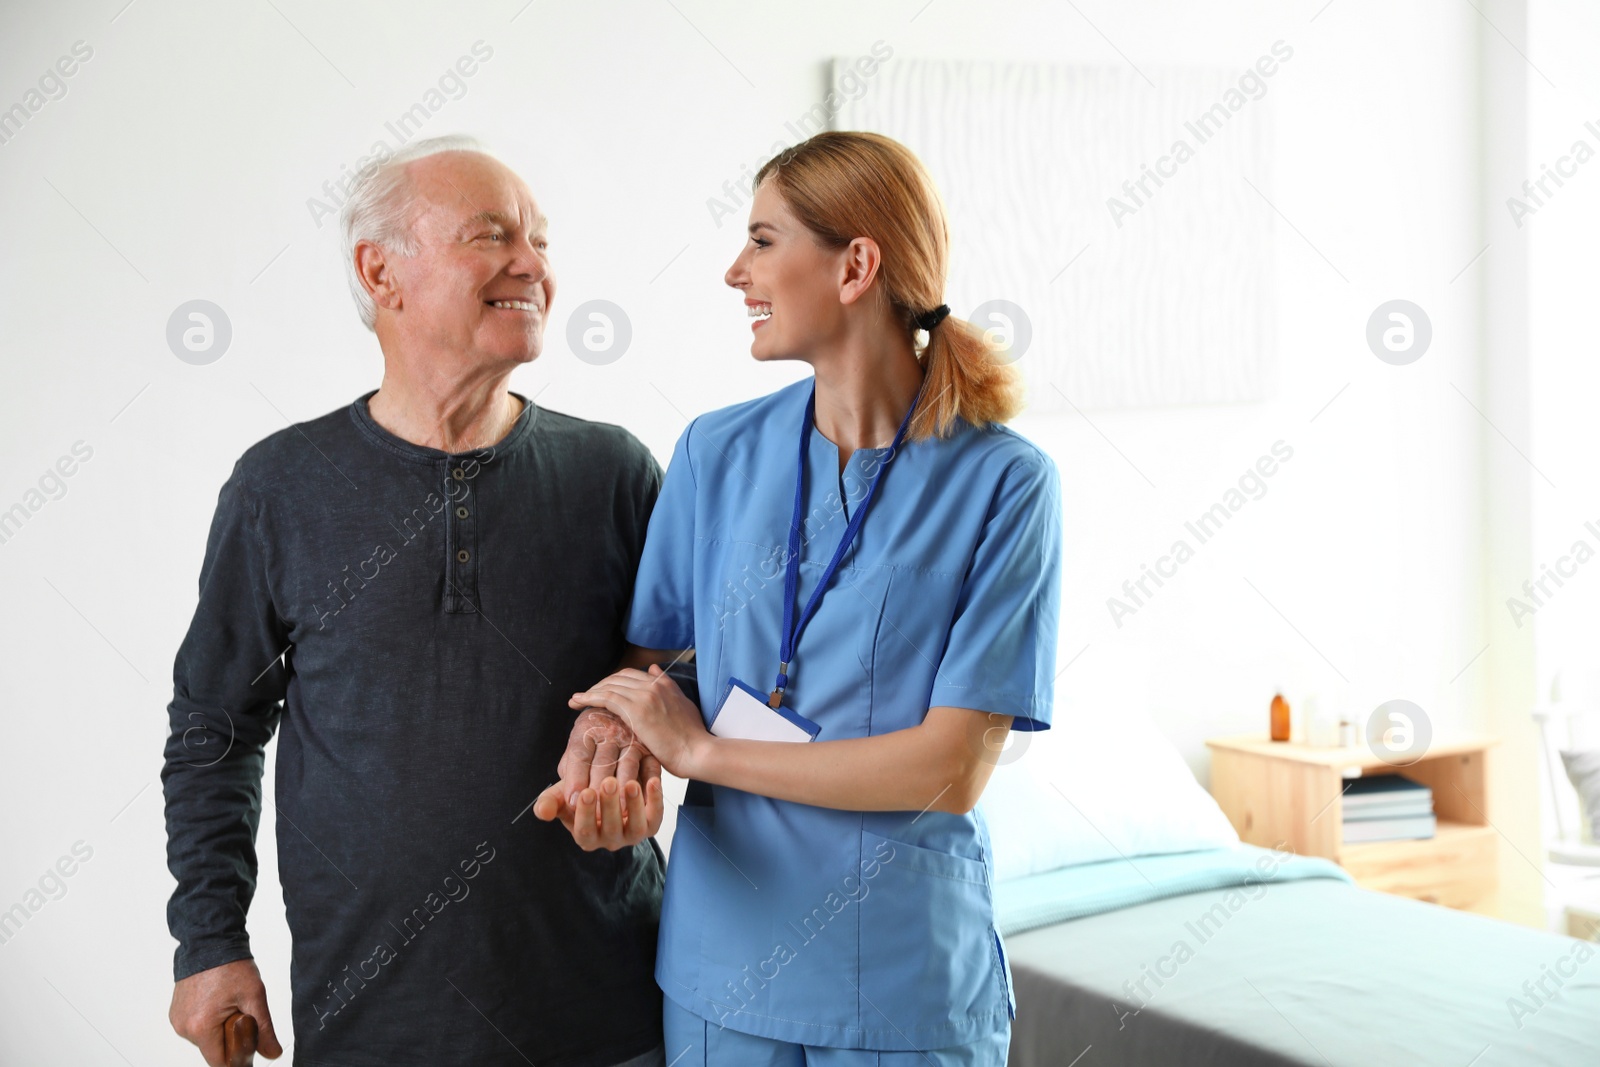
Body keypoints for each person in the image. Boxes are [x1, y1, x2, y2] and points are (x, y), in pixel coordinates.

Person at [542, 131, 1063, 1066]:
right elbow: (655, 663)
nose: (735, 270)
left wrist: (702, 751)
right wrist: (608, 742)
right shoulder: (714, 452)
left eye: (764, 240)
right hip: (720, 970)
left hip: (899, 976)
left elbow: (951, 769)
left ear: (856, 264)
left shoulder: (1005, 483)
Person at [162, 134, 672, 1067]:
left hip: (611, 1021)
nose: (532, 265)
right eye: (492, 235)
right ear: (380, 271)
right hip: (374, 1026)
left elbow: (682, 667)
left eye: (542, 241)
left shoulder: (615, 471)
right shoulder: (281, 486)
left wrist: (639, 728)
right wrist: (210, 943)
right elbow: (213, 731)